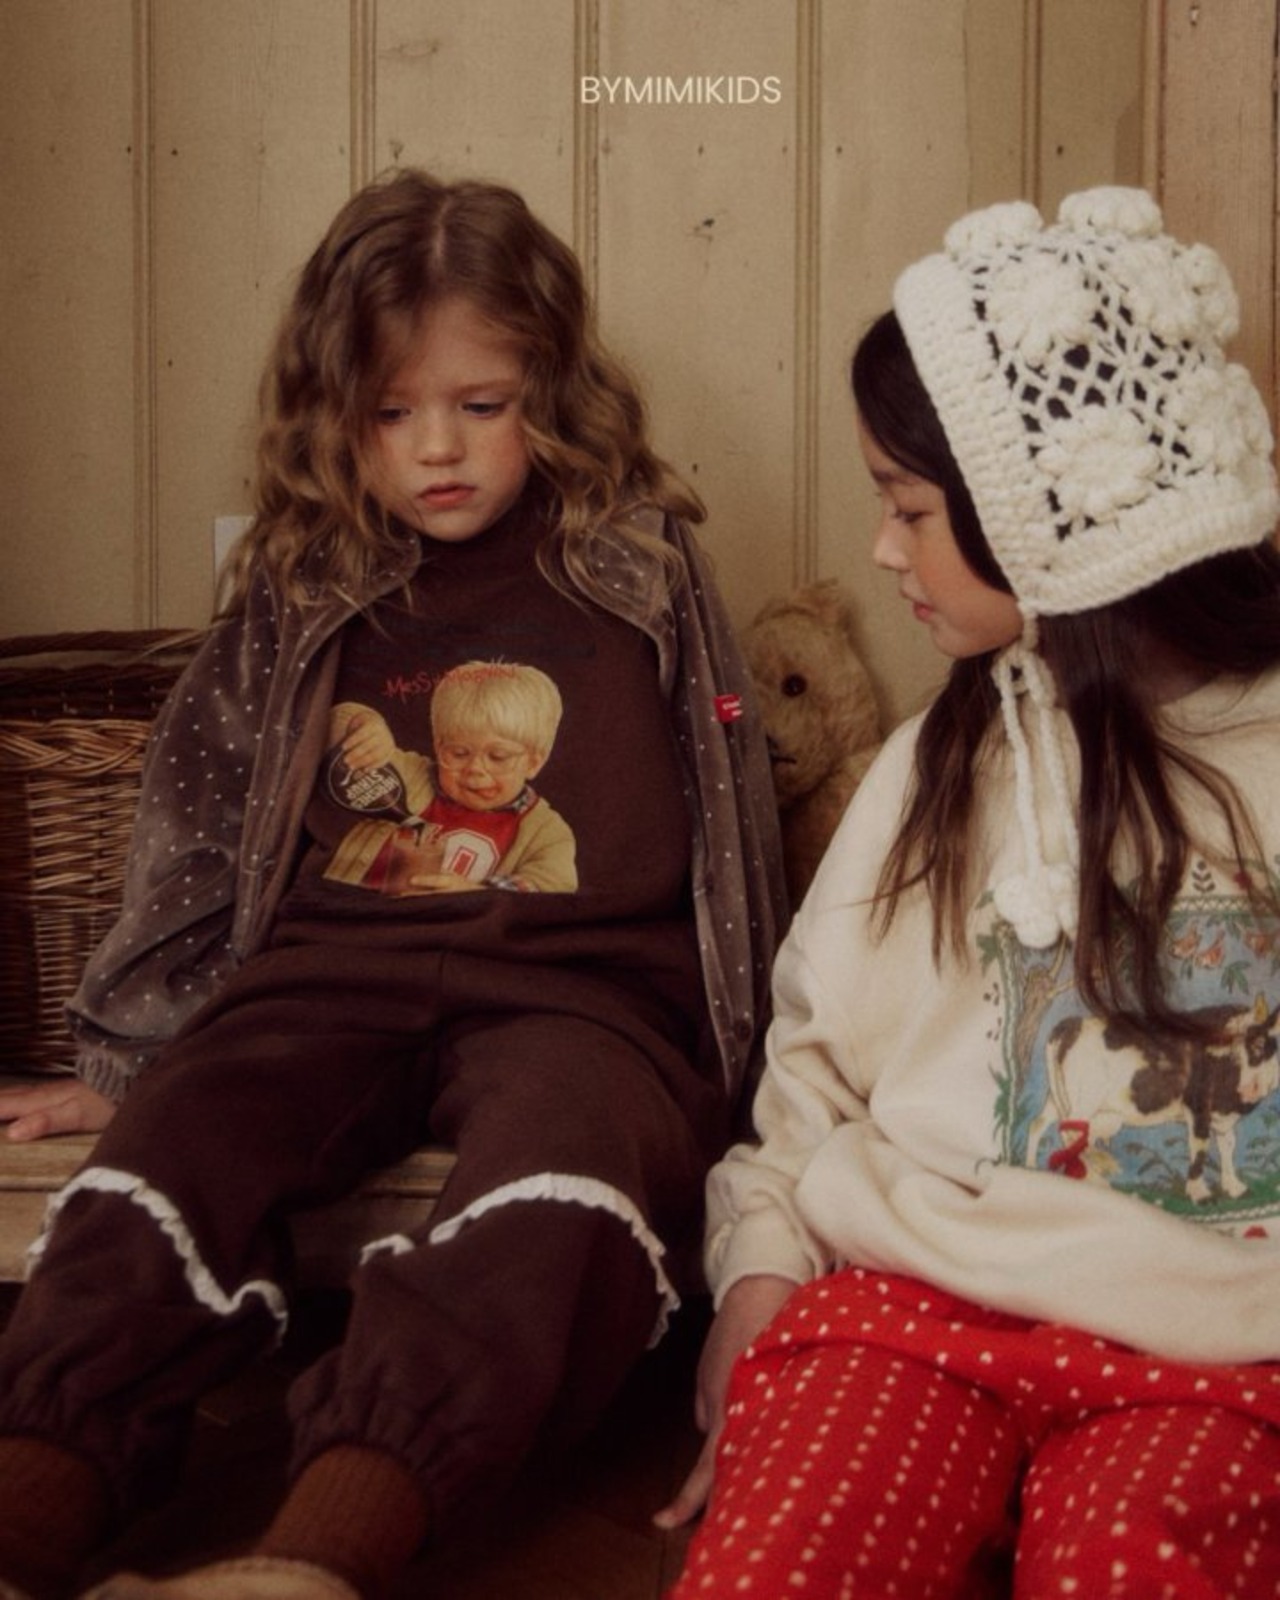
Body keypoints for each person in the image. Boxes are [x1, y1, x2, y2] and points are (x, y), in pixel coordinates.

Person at [0, 168, 787, 1600]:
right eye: (388, 412)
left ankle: (320, 1551)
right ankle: (34, 1500)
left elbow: (733, 815)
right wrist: (137, 1051)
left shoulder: (639, 564)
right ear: (332, 413)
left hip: (580, 1000)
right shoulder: (305, 573)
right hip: (328, 977)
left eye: (482, 404)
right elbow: (198, 811)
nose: (437, 448)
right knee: (178, 1141)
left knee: (560, 1181)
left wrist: (747, 1079)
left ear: (551, 386)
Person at [657, 187, 1280, 1597]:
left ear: (1049, 517)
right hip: (909, 1305)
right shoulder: (941, 765)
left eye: (909, 509)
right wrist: (759, 1273)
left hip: (1215, 1352)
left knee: (1135, 1568)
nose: (883, 549)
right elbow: (814, 1073)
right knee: (775, 1566)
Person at [323, 659, 578, 894]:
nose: (475, 768)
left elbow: (553, 889)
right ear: (438, 747)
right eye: (459, 753)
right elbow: (326, 730)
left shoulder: (546, 832)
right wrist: (363, 727)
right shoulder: (410, 775)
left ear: (533, 763)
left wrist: (477, 893)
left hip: (448, 927)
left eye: (498, 757)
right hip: (351, 909)